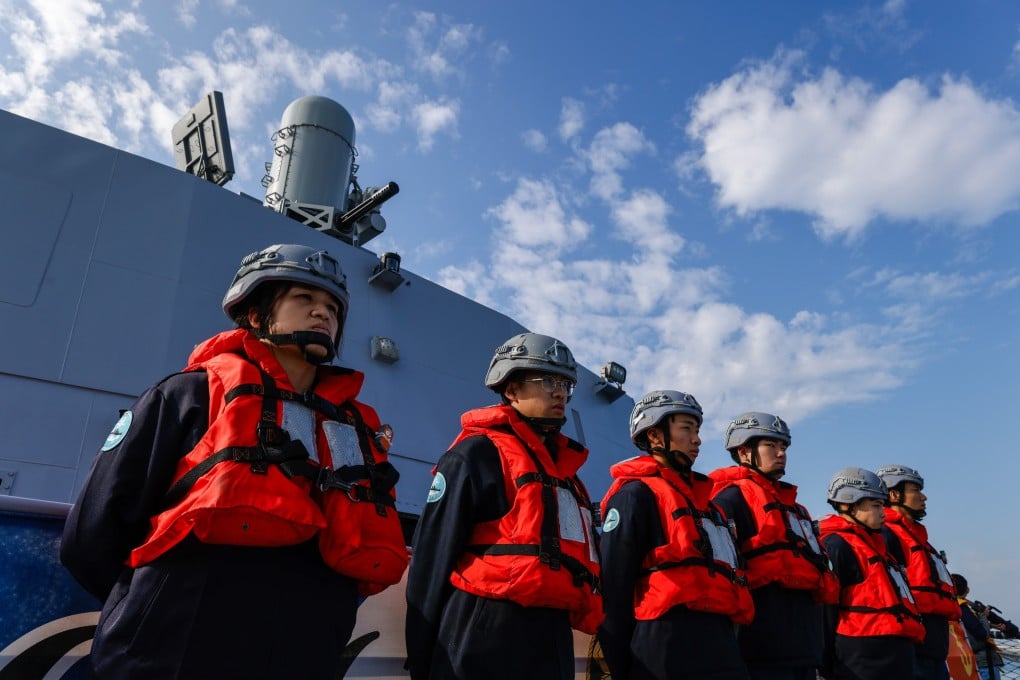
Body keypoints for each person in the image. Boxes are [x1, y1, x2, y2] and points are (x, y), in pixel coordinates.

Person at [61, 243, 408, 679]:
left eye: (332, 309)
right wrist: (150, 609)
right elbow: (93, 532)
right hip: (174, 650)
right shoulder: (189, 394)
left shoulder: (355, 428)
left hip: (303, 652)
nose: (324, 314)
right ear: (258, 315)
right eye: (305, 300)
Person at [404, 332, 602, 680]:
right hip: (485, 628)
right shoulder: (475, 455)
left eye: (565, 384)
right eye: (547, 381)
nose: (560, 392)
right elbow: (432, 556)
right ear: (511, 390)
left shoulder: (567, 477)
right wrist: (421, 653)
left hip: (551, 635)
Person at [598, 390, 753, 680]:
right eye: (686, 428)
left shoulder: (711, 509)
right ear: (655, 436)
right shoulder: (636, 496)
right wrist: (623, 667)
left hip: (720, 646)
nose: (697, 439)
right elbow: (615, 589)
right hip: (662, 649)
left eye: (697, 430)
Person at [709, 412, 840, 680]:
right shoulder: (730, 502)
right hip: (759, 651)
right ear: (744, 452)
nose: (781, 453)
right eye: (771, 446)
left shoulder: (797, 511)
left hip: (805, 649)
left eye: (783, 447)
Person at [818, 467, 925, 680]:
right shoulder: (837, 546)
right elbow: (826, 611)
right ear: (849, 504)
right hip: (861, 660)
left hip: (896, 656)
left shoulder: (881, 550)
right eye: (876, 506)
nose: (884, 513)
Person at [876, 464, 961, 680]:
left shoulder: (919, 538)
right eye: (915, 490)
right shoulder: (887, 535)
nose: (924, 497)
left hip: (934, 647)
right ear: (894, 494)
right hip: (911, 649)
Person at [952, 573, 1004, 680]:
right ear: (967, 590)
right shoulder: (963, 608)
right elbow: (982, 634)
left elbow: (966, 626)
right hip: (982, 664)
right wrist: (983, 615)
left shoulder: (950, 608)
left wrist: (991, 625)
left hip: (964, 663)